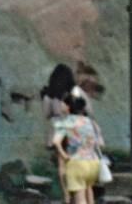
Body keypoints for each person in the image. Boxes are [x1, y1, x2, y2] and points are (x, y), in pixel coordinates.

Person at [41, 64, 92, 204]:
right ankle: (81, 194)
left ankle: (66, 195)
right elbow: (87, 109)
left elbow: (46, 114)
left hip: (58, 130)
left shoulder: (49, 94)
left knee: (61, 164)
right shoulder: (75, 90)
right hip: (74, 129)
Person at [52, 94, 103, 204]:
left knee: (80, 200)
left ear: (68, 106)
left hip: (77, 163)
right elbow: (101, 143)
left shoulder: (65, 123)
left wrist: (65, 155)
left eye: (63, 103)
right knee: (90, 197)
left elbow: (56, 142)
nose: (60, 105)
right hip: (93, 163)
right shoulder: (92, 123)